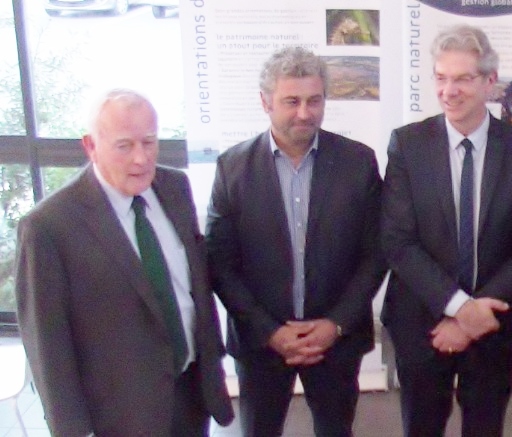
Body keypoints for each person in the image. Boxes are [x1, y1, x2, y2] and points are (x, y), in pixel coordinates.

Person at [15, 89, 234, 436]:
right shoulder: (49, 226)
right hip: (119, 414)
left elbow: (194, 287)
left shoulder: (175, 187)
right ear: (91, 146)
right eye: (124, 146)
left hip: (192, 395)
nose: (141, 159)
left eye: (149, 142)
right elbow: (48, 346)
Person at [206, 47, 386, 437]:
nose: (305, 113)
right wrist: (270, 331)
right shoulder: (232, 168)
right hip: (261, 342)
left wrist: (336, 324)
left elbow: (376, 253)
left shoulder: (358, 162)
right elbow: (220, 264)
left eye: (314, 101)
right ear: (265, 102)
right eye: (292, 101)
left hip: (335, 341)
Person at [381, 24, 512, 436]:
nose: (449, 91)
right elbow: (398, 242)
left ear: (491, 81)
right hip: (422, 322)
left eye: (463, 79)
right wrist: (459, 308)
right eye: (441, 78)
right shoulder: (408, 144)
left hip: (495, 323)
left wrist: (476, 316)